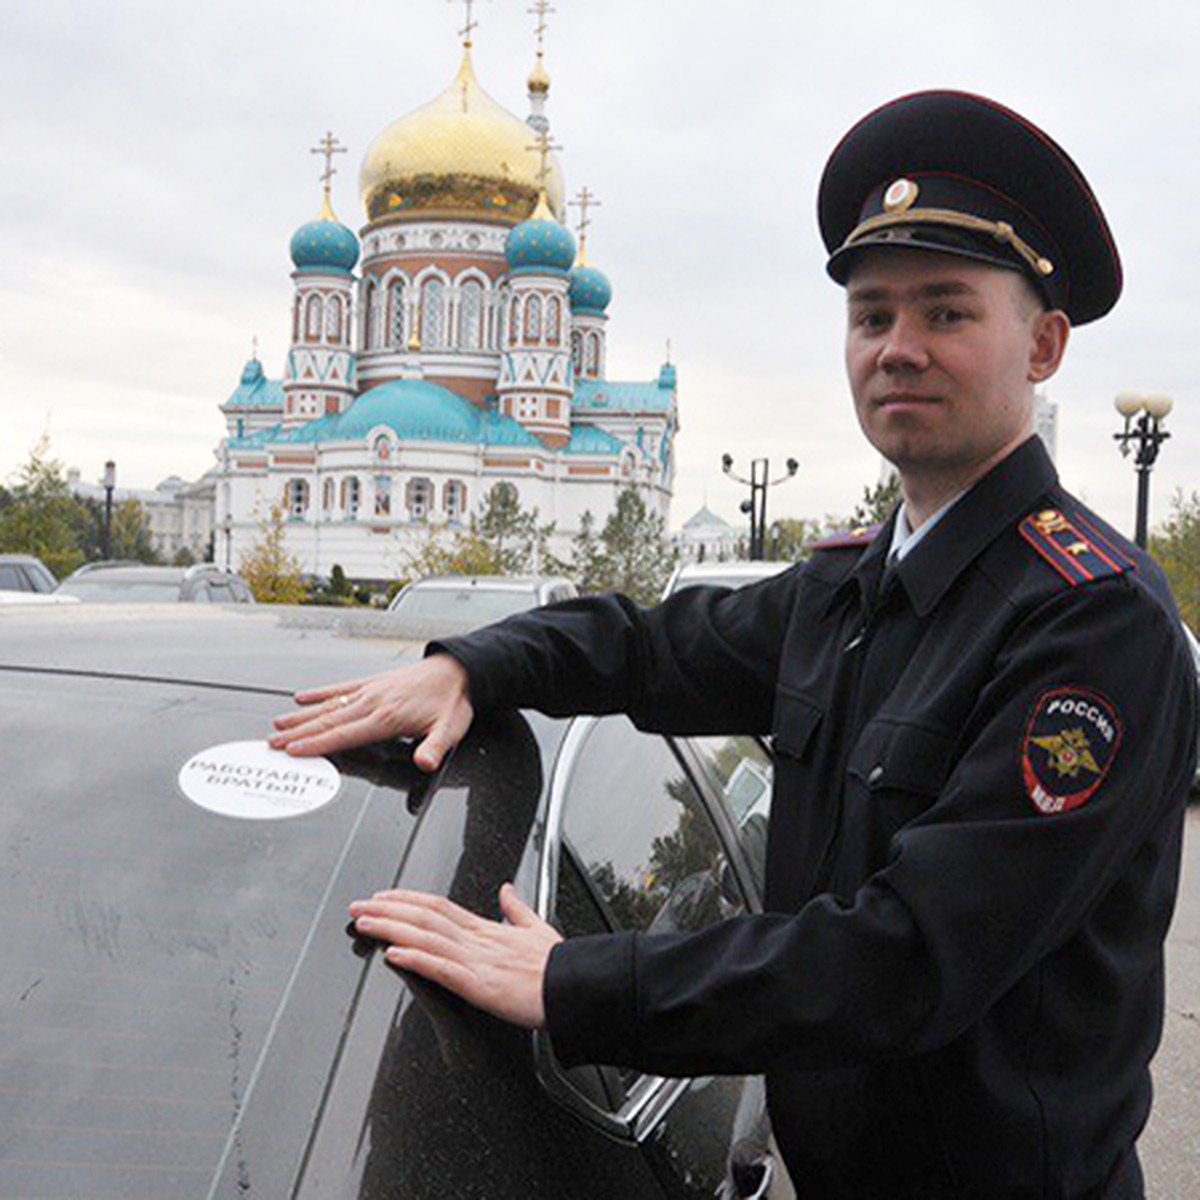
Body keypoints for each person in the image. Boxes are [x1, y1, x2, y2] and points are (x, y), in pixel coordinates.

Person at [270, 91, 1198, 1198]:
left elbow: (909, 957)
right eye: (871, 316)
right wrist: (472, 662)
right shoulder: (855, 581)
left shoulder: (1093, 624)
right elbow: (649, 647)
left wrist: (578, 984)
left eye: (946, 314)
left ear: (1044, 344)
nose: (898, 349)